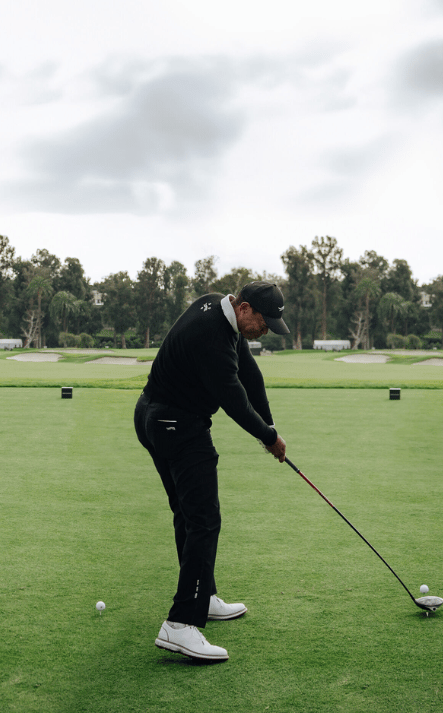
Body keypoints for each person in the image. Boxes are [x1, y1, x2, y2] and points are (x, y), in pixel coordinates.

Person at [134, 280, 289, 662]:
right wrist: (268, 438)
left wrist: (270, 425)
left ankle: (202, 597)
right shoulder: (211, 337)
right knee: (205, 519)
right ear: (246, 308)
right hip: (177, 426)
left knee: (189, 515)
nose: (265, 329)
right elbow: (234, 398)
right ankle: (182, 623)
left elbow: (249, 374)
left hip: (155, 417)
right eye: (263, 322)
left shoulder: (217, 309)